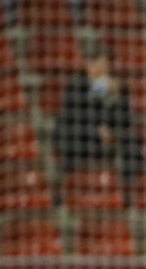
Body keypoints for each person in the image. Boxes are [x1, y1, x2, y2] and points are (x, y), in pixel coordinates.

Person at [55, 41, 138, 186]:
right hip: (81, 138)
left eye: (105, 67)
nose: (102, 71)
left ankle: (128, 185)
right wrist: (96, 130)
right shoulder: (75, 86)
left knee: (132, 138)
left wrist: (115, 98)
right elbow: (73, 119)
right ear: (89, 65)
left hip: (108, 139)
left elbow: (124, 120)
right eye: (98, 67)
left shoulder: (117, 87)